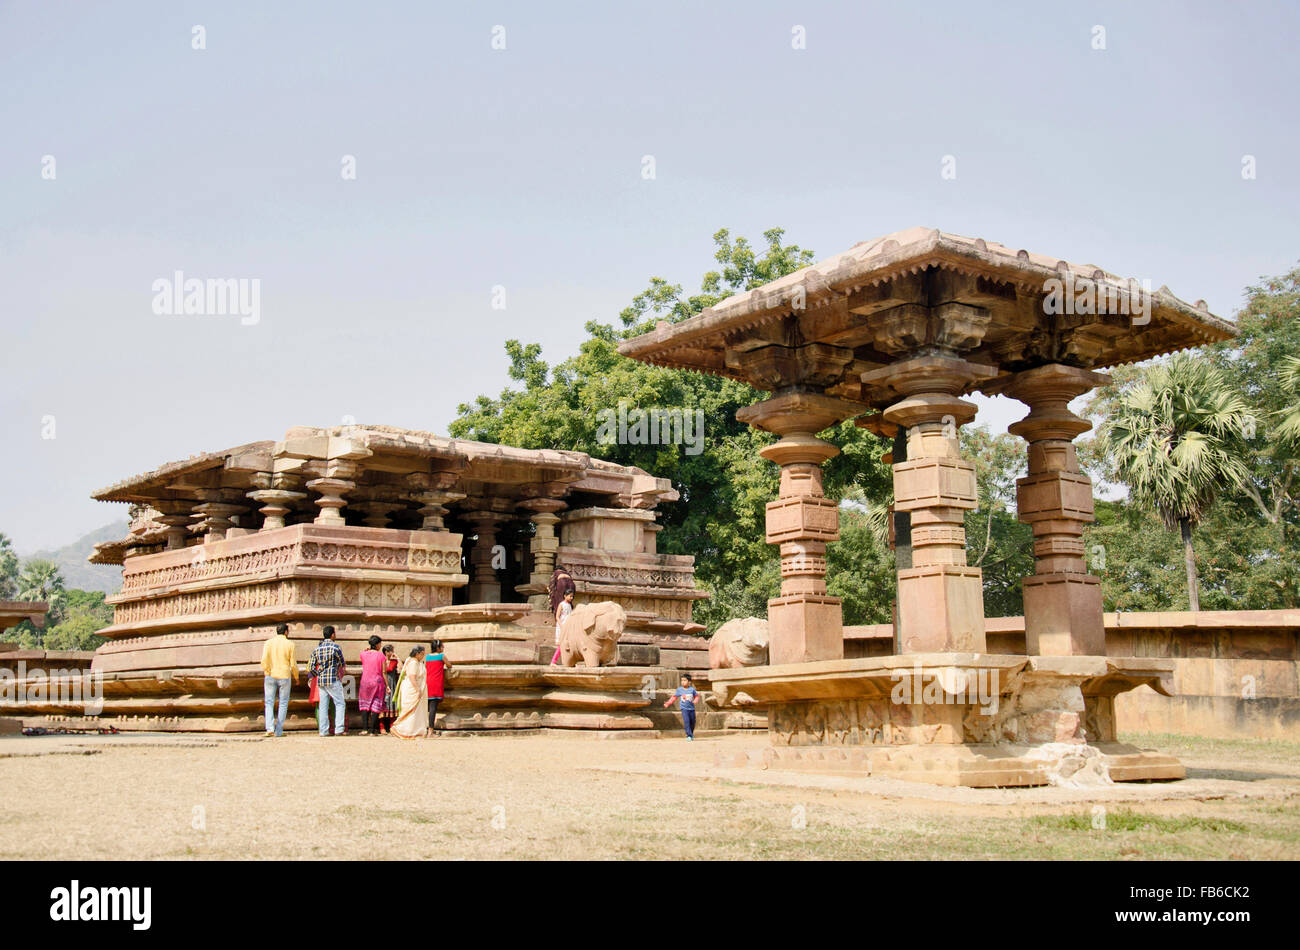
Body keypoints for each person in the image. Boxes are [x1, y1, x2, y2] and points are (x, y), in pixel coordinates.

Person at [260, 622, 298, 737]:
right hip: (284, 675)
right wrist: (296, 677)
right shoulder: (290, 644)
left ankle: (269, 728)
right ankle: (278, 730)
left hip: (270, 675)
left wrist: (267, 672)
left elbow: (264, 660)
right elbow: (293, 664)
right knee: (283, 703)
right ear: (286, 632)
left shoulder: (268, 643)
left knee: (269, 702)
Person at [308, 625, 348, 736]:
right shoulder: (336, 647)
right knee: (339, 703)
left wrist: (318, 674)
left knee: (323, 706)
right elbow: (342, 663)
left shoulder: (317, 649)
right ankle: (339, 729)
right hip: (333, 679)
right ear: (332, 635)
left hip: (321, 681)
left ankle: (323, 731)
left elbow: (311, 666)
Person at [390, 645, 428, 739]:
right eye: (422, 654)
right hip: (412, 688)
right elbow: (412, 676)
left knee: (416, 711)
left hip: (412, 687)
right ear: (417, 653)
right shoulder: (413, 662)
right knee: (411, 710)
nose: (423, 656)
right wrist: (417, 689)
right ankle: (403, 730)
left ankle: (413, 731)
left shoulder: (412, 661)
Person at [357, 635, 386, 735]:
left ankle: (364, 728)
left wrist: (366, 650)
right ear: (377, 644)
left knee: (365, 705)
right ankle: (372, 730)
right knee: (375, 705)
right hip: (377, 682)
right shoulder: (381, 656)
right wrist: (388, 685)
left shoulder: (363, 654)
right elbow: (384, 671)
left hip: (365, 682)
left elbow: (363, 655)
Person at [663, 673, 702, 740]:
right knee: (686, 721)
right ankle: (688, 735)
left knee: (692, 722)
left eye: (684, 680)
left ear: (689, 682)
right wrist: (668, 703)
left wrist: (695, 700)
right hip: (684, 709)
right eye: (682, 680)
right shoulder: (679, 690)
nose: (683, 682)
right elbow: (674, 697)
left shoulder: (692, 690)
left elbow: (696, 696)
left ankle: (691, 734)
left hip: (691, 709)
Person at [424, 639, 451, 736]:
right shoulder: (441, 656)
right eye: (442, 646)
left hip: (428, 683)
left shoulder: (427, 657)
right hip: (436, 683)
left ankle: (425, 729)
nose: (443, 648)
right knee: (433, 708)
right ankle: (430, 730)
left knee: (426, 708)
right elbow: (449, 665)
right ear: (438, 648)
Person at [550, 588, 575, 665]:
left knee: (569, 644)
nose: (571, 598)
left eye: (572, 596)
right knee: (561, 645)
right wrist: (561, 626)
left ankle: (571, 662)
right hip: (562, 627)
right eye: (570, 596)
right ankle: (553, 662)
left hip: (568, 627)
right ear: (565, 596)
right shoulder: (561, 604)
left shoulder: (570, 606)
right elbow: (557, 617)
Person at [378, 644, 399, 734]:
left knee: (391, 704)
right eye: (390, 651)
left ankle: (391, 726)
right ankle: (382, 727)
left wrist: (397, 658)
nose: (392, 653)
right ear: (386, 652)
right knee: (382, 704)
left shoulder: (394, 661)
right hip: (382, 684)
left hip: (392, 684)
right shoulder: (381, 660)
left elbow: (401, 668)